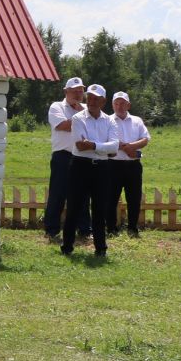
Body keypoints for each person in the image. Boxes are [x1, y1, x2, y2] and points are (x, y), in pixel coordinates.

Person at [64, 84, 118, 257]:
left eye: (96, 99)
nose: (92, 101)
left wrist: (93, 145)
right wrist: (103, 147)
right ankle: (67, 247)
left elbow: (115, 147)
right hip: (80, 165)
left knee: (99, 208)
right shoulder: (78, 118)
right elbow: (80, 146)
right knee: (74, 206)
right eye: (90, 97)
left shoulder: (110, 120)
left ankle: (100, 248)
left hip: (101, 168)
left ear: (103, 101)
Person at [42, 77, 86, 240]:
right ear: (66, 91)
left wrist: (79, 116)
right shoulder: (57, 106)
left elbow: (94, 128)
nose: (78, 94)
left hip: (82, 156)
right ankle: (52, 230)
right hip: (63, 155)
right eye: (74, 91)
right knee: (58, 194)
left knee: (82, 195)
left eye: (80, 91)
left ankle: (84, 230)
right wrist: (81, 119)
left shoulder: (87, 109)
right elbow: (62, 126)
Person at [108, 91, 150, 237]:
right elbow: (105, 140)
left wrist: (130, 147)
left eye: (122, 103)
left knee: (134, 198)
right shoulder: (107, 120)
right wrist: (126, 147)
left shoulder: (137, 120)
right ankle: (111, 228)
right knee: (111, 197)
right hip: (113, 165)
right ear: (112, 104)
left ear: (128, 105)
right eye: (116, 103)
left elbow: (145, 139)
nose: (119, 106)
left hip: (133, 165)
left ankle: (132, 227)